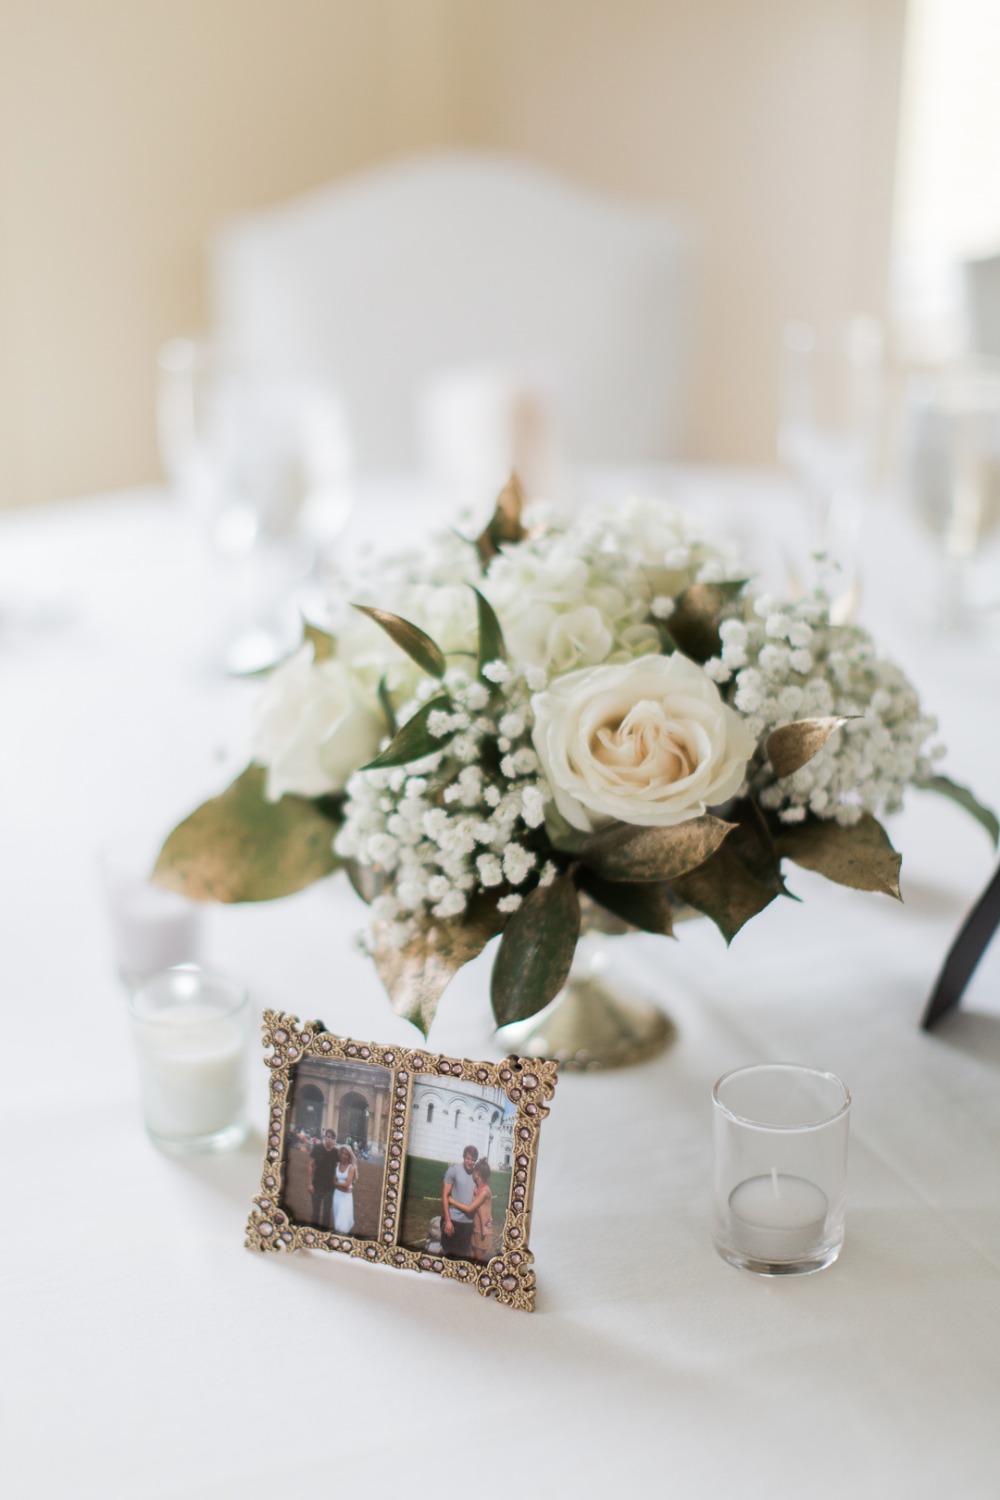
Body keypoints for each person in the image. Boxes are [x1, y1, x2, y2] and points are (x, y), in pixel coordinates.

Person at [448, 1159, 495, 1263]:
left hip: (483, 1231)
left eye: (473, 1171)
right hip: (475, 1229)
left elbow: (469, 1209)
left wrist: (452, 1201)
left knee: (478, 1261)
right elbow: (465, 1173)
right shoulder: (477, 1187)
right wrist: (454, 1166)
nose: (471, 1173)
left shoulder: (484, 1192)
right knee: (471, 1256)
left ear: (477, 1174)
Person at [442, 1145, 479, 1260]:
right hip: (453, 1220)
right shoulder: (454, 1170)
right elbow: (444, 1196)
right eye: (468, 1158)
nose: (470, 1162)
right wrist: (448, 1220)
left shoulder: (476, 1175)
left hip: (468, 1223)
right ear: (463, 1157)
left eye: (473, 1160)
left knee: (461, 1257)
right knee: (447, 1255)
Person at [308, 1128, 339, 1229]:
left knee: (327, 1213)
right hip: (316, 1184)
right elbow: (310, 1165)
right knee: (315, 1211)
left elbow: (347, 1162)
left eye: (333, 1138)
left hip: (330, 1187)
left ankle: (324, 1234)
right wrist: (310, 1184)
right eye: (328, 1137)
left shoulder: (336, 1152)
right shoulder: (317, 1148)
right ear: (325, 1137)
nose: (330, 1140)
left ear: (335, 1140)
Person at [332, 1145, 357, 1234]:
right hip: (337, 1195)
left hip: (346, 1197)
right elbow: (334, 1178)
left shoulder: (351, 1168)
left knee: (341, 1222)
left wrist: (335, 1184)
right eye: (342, 1153)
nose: (344, 1156)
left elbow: (347, 1185)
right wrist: (337, 1184)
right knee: (337, 1217)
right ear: (340, 1154)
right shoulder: (337, 1165)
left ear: (349, 1156)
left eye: (346, 1154)